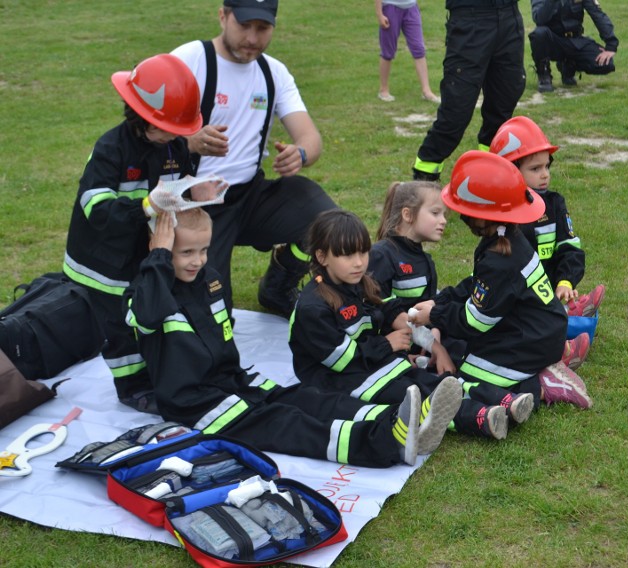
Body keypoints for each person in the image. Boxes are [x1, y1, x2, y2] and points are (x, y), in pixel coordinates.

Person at [124, 208, 460, 467]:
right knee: (289, 425)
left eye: (204, 250)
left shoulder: (205, 278)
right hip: (197, 405)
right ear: (161, 249)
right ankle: (387, 442)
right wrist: (157, 258)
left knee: (308, 400)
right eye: (185, 253)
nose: (198, 260)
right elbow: (150, 314)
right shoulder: (147, 290)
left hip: (234, 382)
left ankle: (401, 419)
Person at [63, 53, 224, 413]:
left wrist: (194, 192)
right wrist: (146, 206)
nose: (177, 137)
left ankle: (157, 371)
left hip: (143, 254)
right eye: (168, 127)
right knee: (120, 325)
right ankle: (133, 386)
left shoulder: (173, 146)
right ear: (140, 117)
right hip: (103, 265)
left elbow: (171, 195)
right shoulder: (111, 149)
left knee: (148, 312)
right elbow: (96, 209)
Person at [289, 209, 531, 441]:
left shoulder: (357, 282)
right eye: (347, 255)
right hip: (338, 379)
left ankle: (505, 400)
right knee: (412, 397)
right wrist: (387, 344)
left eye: (363, 252)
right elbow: (341, 360)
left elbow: (391, 311)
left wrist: (434, 346)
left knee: (431, 381)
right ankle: (481, 418)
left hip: (371, 364)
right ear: (322, 257)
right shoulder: (313, 307)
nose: (359, 263)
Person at [171, 0, 337, 317]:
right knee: (213, 310)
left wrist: (299, 153)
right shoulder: (190, 60)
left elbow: (311, 139)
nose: (252, 38)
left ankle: (277, 285)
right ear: (223, 16)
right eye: (244, 26)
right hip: (195, 202)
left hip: (248, 195)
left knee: (328, 224)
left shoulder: (273, 72)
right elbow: (146, 131)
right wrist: (190, 142)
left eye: (262, 29)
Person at [409, 151, 592, 412]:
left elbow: (476, 322)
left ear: (482, 215)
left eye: (463, 211)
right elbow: (476, 284)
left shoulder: (499, 259)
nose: (459, 218)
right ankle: (550, 360)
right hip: (539, 330)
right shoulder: (506, 239)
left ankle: (544, 386)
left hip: (530, 340)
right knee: (465, 351)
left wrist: (435, 314)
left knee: (467, 376)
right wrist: (442, 300)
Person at [489, 115, 605, 329]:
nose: (544, 175)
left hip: (547, 291)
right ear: (509, 171)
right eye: (535, 169)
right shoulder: (499, 212)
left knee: (557, 322)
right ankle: (569, 317)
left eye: (547, 167)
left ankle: (569, 311)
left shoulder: (554, 204)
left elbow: (570, 249)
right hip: (514, 294)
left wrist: (565, 282)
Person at [411, 0, 526, 181]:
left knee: (503, 106)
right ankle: (423, 180)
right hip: (470, 19)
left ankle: (492, 174)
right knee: (455, 113)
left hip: (509, 16)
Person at [369, 181, 460, 374]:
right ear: (407, 214)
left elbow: (428, 308)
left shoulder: (426, 261)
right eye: (435, 213)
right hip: (392, 344)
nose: (443, 220)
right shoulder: (381, 255)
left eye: (443, 214)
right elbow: (390, 313)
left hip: (420, 341)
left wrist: (434, 335)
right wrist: (437, 348)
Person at [528, 0, 619, 92]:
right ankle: (544, 74)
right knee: (539, 34)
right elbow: (539, 19)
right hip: (553, 41)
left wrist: (611, 45)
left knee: (606, 64)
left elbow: (598, 15)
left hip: (574, 41)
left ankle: (569, 66)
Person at [375, 0, 440, 103]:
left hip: (411, 8)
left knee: (419, 49)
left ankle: (426, 91)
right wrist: (379, 14)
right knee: (388, 51)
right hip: (390, 8)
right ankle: (384, 90)